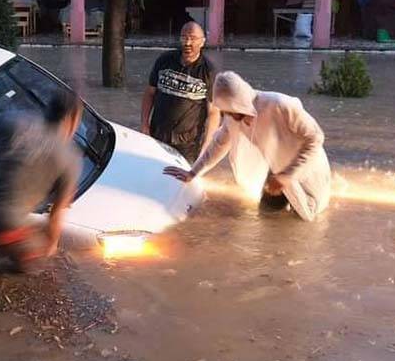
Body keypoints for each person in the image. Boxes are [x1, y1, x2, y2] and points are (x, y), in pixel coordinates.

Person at [164, 71, 331, 222]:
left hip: (307, 167)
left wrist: (289, 175)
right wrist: (193, 173)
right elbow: (218, 145)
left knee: (304, 219)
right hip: (276, 172)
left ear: (242, 103)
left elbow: (315, 139)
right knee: (267, 217)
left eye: (232, 111)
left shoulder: (280, 105)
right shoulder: (232, 118)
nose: (228, 115)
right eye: (226, 111)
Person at [0, 92, 83, 272]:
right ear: (73, 119)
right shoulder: (70, 158)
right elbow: (56, 214)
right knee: (38, 271)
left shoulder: (11, 120)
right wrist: (51, 246)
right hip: (8, 225)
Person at [141, 21, 220, 163]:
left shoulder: (209, 71)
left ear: (202, 42)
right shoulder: (164, 60)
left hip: (188, 144)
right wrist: (144, 125)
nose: (188, 43)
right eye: (184, 38)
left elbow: (214, 112)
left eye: (193, 38)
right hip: (157, 135)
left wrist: (207, 144)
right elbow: (149, 93)